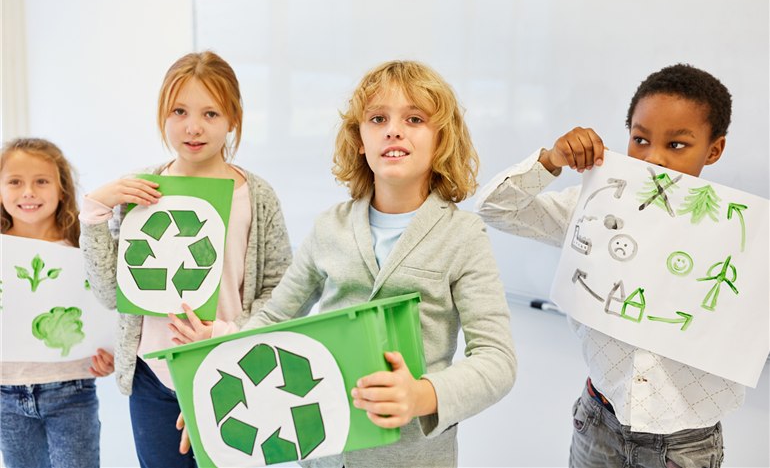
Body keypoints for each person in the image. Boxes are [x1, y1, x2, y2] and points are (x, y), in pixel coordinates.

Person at [218, 60, 517, 467]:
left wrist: (422, 395)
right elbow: (273, 320)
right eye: (378, 118)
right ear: (360, 138)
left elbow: (497, 360)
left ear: (441, 138)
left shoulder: (463, 236)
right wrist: (215, 363)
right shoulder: (329, 228)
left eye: (414, 119)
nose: (394, 129)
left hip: (415, 458)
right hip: (326, 453)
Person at [476, 64, 738, 468]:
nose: (655, 158)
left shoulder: (738, 236)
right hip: (598, 420)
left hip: (686, 442)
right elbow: (496, 209)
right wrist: (550, 160)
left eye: (678, 145)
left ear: (714, 149)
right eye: (640, 139)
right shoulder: (597, 204)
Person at [79, 51, 292, 468]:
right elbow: (111, 293)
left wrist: (226, 332)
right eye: (179, 111)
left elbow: (280, 292)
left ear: (233, 119)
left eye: (211, 113)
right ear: (163, 114)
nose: (193, 127)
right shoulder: (140, 190)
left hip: (232, 368)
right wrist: (95, 211)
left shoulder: (257, 196)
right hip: (153, 378)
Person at [0, 137, 115, 468]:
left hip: (72, 390)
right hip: (6, 392)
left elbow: (108, 311)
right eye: (15, 182)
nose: (28, 192)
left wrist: (111, 357)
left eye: (41, 181)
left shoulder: (84, 247)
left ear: (62, 188)